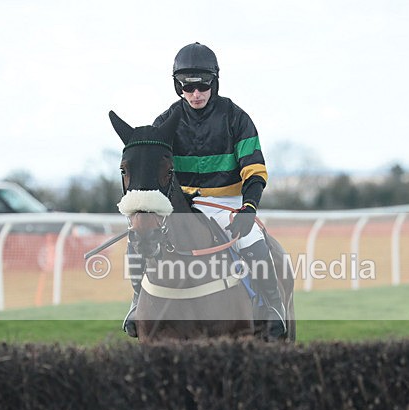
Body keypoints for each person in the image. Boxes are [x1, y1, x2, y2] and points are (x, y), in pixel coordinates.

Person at [123, 41, 287, 339]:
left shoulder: (236, 117)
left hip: (228, 203)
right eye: (188, 88)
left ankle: (273, 307)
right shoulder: (165, 123)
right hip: (182, 206)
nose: (196, 94)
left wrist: (248, 208)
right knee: (138, 239)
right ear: (178, 87)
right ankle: (137, 302)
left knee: (253, 240)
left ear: (214, 82)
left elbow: (255, 170)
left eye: (203, 86)